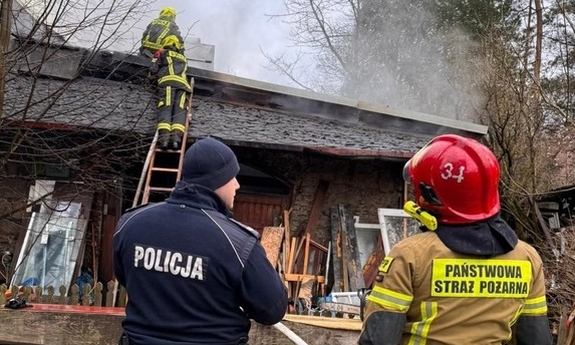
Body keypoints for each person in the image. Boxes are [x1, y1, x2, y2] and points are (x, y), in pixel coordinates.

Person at [359, 134, 552, 345]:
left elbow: (379, 339)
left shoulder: (410, 255)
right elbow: (536, 339)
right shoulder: (528, 258)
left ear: (431, 196)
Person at [113, 137, 288, 345]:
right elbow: (272, 309)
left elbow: (125, 277)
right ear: (218, 180)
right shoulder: (237, 242)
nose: (237, 185)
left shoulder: (131, 223)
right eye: (233, 177)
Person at [150, 34, 191, 149]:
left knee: (166, 108)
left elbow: (153, 69)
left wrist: (150, 81)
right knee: (180, 110)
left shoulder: (161, 52)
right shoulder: (183, 58)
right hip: (183, 86)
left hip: (167, 83)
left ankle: (164, 140)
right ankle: (175, 140)